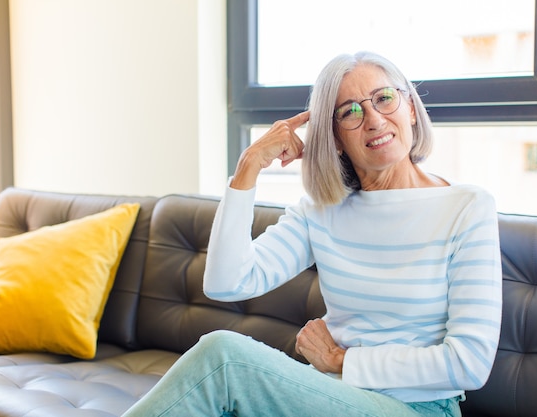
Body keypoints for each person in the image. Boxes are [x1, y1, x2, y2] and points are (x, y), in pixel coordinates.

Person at [123, 51, 502, 417]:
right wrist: (248, 167)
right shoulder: (322, 211)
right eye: (349, 111)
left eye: (384, 98)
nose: (373, 119)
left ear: (412, 110)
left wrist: (343, 360)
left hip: (417, 408)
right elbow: (228, 283)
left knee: (223, 358)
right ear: (335, 138)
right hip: (329, 394)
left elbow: (469, 363)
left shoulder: (467, 207)